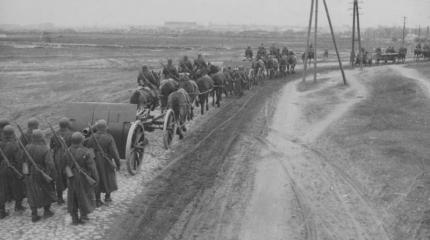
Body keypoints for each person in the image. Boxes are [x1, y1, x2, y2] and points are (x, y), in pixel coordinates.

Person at [84, 120, 120, 206]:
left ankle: (98, 200)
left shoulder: (92, 137)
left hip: (95, 161)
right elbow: (114, 152)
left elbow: (87, 146)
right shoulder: (109, 137)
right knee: (109, 177)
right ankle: (107, 197)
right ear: (105, 128)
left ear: (97, 128)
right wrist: (118, 163)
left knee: (97, 178)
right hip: (106, 161)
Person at [24, 129, 57, 222]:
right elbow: (50, 164)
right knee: (46, 190)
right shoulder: (45, 148)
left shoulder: (27, 147)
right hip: (42, 173)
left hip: (30, 173)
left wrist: (26, 174)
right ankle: (47, 211)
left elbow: (24, 162)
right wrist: (51, 175)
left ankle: (34, 214)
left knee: (32, 192)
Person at [66, 132, 98, 225]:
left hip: (71, 177)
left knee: (72, 197)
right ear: (81, 140)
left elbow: (65, 166)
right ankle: (83, 216)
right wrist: (95, 178)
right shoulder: (86, 151)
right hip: (83, 178)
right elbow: (92, 167)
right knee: (84, 196)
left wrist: (69, 176)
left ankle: (74, 218)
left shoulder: (67, 151)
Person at [0, 125, 26, 219]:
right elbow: (19, 159)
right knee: (17, 187)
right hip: (13, 168)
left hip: (2, 169)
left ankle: (1, 211)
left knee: (2, 189)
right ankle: (18, 206)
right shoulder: (15, 145)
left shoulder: (1, 144)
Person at [50, 117, 72, 205]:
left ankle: (59, 198)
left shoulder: (54, 134)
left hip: (57, 158)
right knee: (69, 175)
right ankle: (71, 197)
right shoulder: (71, 134)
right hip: (68, 157)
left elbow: (51, 146)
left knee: (59, 177)